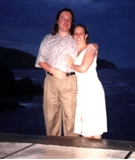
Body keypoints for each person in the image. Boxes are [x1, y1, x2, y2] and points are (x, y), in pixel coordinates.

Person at [35, 8, 98, 137]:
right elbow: (41, 61)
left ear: (72, 22)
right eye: (63, 18)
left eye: (69, 19)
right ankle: (53, 151)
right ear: (57, 21)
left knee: (71, 119)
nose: (66, 21)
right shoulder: (47, 39)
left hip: (70, 81)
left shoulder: (75, 38)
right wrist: (53, 70)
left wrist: (95, 45)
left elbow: (87, 47)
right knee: (51, 117)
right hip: (51, 81)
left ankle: (71, 151)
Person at [66, 24, 107, 139]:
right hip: (82, 91)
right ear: (73, 36)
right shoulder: (75, 51)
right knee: (87, 127)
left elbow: (83, 69)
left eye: (81, 33)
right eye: (76, 33)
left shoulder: (90, 49)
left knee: (94, 127)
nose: (78, 35)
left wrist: (71, 65)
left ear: (86, 35)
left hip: (92, 89)